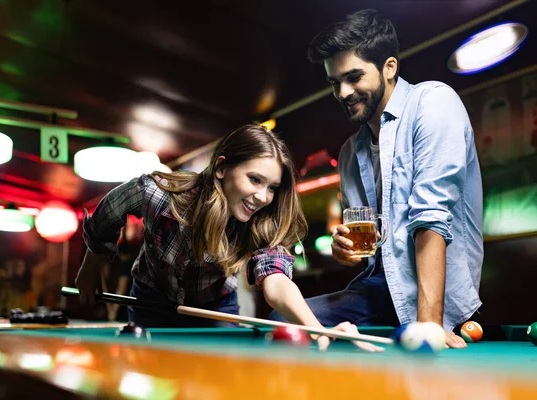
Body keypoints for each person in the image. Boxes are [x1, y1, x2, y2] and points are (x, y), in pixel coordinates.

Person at [270, 9, 483, 349]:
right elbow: (370, 243)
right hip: (379, 290)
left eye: (354, 77)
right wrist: (346, 251)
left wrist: (428, 325)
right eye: (334, 82)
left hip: (432, 298)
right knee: (282, 321)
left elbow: (430, 218)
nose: (342, 92)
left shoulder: (433, 102)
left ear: (389, 67)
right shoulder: (349, 153)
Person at [75, 124, 381, 352]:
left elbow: (275, 282)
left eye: (272, 187)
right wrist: (90, 268)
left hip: (217, 308)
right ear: (221, 168)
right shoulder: (157, 194)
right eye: (254, 179)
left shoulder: (263, 223)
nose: (263, 196)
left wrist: (317, 331)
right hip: (150, 301)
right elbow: (105, 217)